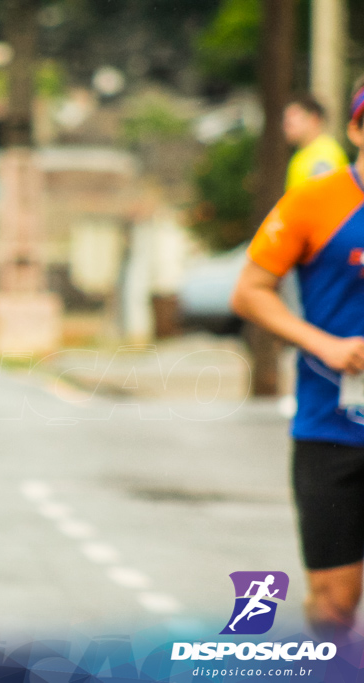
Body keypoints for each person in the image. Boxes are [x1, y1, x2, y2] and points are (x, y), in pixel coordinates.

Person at [232, 77, 364, 642]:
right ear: (357, 129)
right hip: (331, 427)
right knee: (334, 603)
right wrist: (324, 344)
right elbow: (250, 291)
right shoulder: (316, 200)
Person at [283, 94, 349, 191]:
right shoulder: (301, 155)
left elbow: (326, 198)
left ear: (314, 119)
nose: (285, 125)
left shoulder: (325, 154)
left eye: (291, 121)